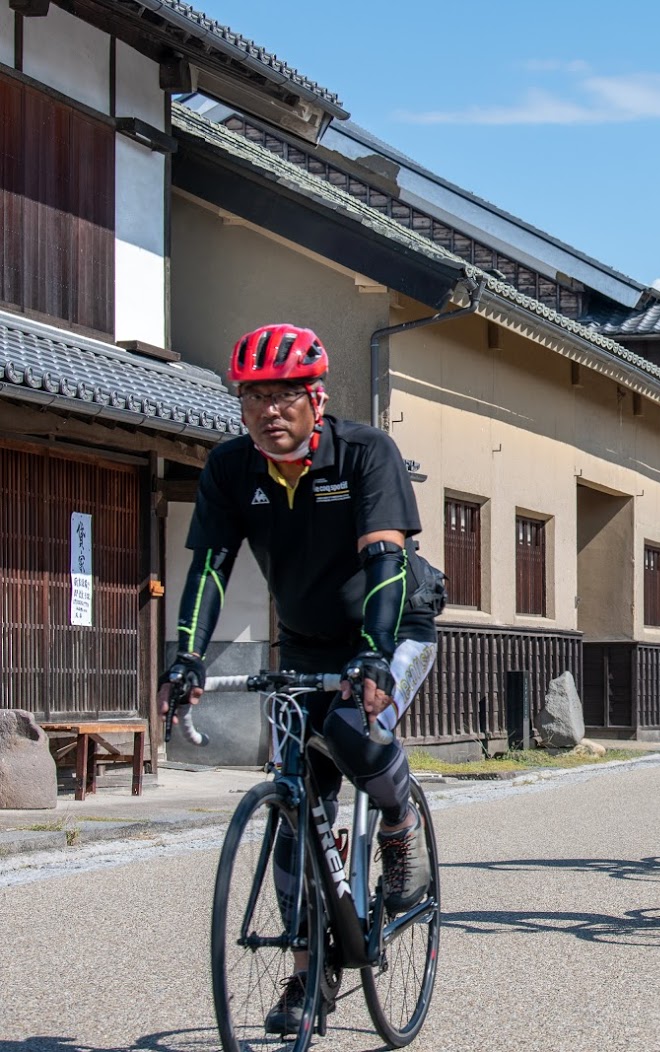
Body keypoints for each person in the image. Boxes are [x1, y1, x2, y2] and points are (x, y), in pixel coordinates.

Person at [157, 324, 441, 1035]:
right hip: (309, 643)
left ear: (316, 397)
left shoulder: (365, 452)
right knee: (295, 809)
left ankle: (402, 828)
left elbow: (385, 561)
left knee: (354, 734)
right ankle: (307, 974)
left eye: (286, 395)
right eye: (254, 397)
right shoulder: (230, 470)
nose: (270, 410)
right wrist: (187, 656)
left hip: (394, 628)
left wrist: (374, 654)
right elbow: (210, 569)